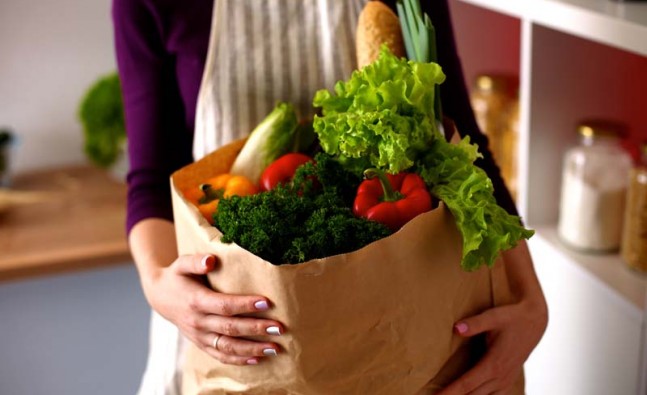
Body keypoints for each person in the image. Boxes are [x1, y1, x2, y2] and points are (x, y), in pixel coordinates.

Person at [112, 0, 548, 394]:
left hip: (398, 329)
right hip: (227, 333)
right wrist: (157, 285)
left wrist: (531, 299)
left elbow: (459, 145)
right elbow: (152, 178)